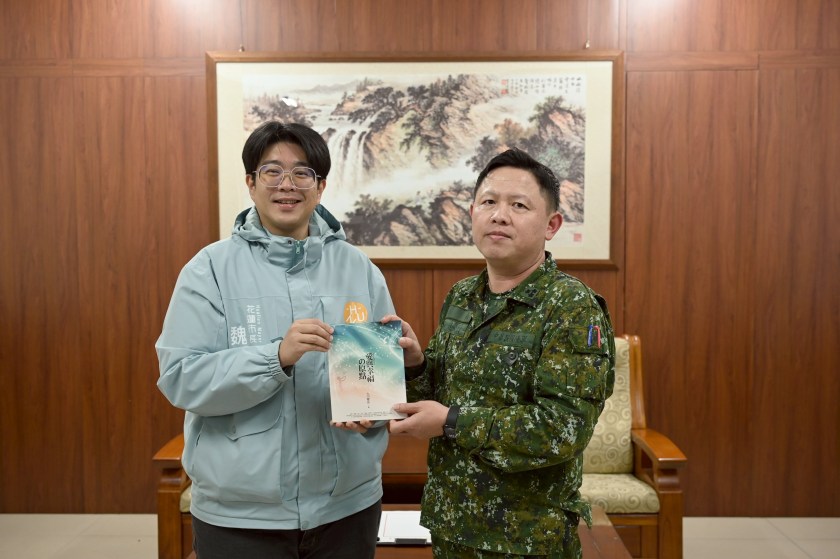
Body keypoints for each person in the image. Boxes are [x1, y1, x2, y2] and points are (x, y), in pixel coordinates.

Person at [156, 121, 395, 559]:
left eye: (302, 173)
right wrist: (275, 358)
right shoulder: (208, 270)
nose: (287, 184)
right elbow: (180, 378)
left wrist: (375, 409)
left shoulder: (359, 269)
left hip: (348, 507)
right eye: (272, 171)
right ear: (251, 183)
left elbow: (375, 381)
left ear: (320, 187)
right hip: (241, 518)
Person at [385, 148, 616, 558]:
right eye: (489, 202)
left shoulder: (571, 307)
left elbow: (563, 429)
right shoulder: (463, 296)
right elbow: (439, 394)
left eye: (519, 205)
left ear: (551, 225)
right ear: (472, 213)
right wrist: (415, 363)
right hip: (452, 525)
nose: (500, 215)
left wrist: (452, 422)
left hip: (526, 537)